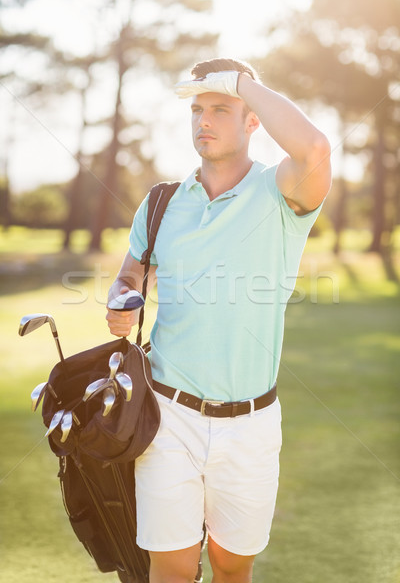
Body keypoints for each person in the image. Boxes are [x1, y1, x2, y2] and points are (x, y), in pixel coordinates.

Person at [106, 58, 331, 583]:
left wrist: (243, 84)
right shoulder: (161, 201)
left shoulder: (282, 191)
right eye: (197, 109)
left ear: (253, 120)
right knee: (172, 569)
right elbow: (129, 274)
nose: (203, 120)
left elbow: (315, 148)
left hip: (251, 424)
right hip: (166, 416)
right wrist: (122, 298)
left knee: (232, 569)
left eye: (222, 109)